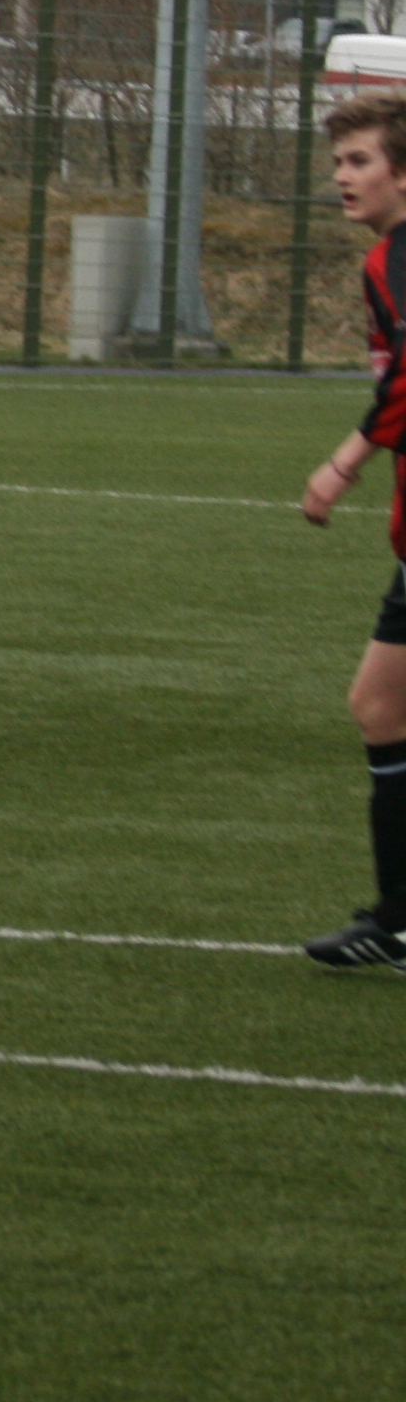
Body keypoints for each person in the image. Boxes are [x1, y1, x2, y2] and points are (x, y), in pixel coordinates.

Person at [299, 86, 406, 973]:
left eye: (360, 160)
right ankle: (399, 920)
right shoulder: (387, 259)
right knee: (380, 706)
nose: (343, 175)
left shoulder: (398, 260)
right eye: (338, 161)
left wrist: (345, 460)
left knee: (382, 706)